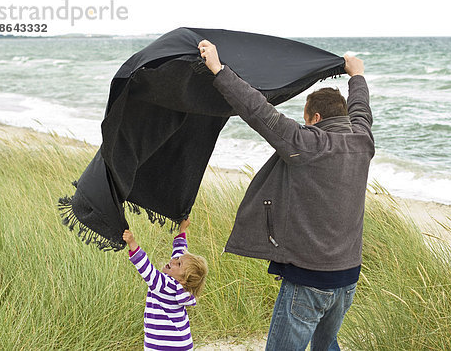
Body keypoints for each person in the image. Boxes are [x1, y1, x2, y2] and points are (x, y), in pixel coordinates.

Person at [198, 40, 374, 350]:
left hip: (310, 280)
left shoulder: (306, 143)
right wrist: (356, 75)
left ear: (315, 119)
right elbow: (361, 109)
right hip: (348, 278)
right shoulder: (363, 139)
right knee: (327, 345)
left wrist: (217, 69)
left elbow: (259, 112)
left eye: (306, 120)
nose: (305, 125)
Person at [123, 219, 208, 351]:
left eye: (178, 264)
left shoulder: (166, 285)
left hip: (162, 346)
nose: (173, 260)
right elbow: (180, 252)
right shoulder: (182, 287)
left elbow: (147, 269)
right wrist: (182, 230)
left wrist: (132, 243)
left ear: (183, 280)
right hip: (182, 344)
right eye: (177, 260)